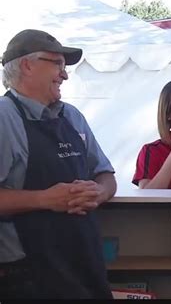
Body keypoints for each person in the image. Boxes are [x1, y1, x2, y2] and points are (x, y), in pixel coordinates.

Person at [0, 29, 117, 299]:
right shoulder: (5, 118)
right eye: (57, 64)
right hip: (29, 275)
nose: (64, 74)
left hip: (83, 263)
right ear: (27, 65)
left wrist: (99, 192)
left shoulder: (72, 117)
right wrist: (45, 199)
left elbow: (105, 174)